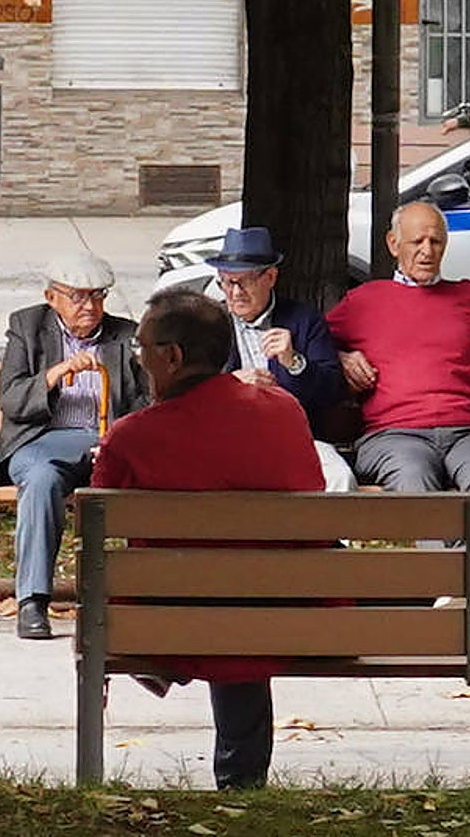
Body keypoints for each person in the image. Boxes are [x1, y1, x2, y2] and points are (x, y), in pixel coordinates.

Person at [90, 288, 324, 790]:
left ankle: (171, 678)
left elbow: (103, 522)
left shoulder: (133, 435)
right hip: (288, 615)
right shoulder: (283, 409)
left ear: (173, 357)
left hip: (175, 624)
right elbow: (313, 489)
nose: (139, 359)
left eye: (142, 347)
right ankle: (241, 781)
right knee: (244, 590)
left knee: (194, 588)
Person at [325, 201, 470, 493]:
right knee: (413, 476)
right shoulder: (363, 302)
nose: (427, 251)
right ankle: (452, 529)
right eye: (417, 242)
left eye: (436, 241)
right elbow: (315, 347)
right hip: (395, 434)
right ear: (393, 244)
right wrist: (341, 357)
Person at [0, 251, 148, 640]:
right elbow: (11, 400)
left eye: (97, 296)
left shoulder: (126, 336)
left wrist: (119, 439)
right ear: (52, 297)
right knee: (41, 480)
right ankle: (32, 602)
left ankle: (146, 597)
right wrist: (55, 374)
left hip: (107, 442)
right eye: (78, 296)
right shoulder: (27, 327)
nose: (90, 306)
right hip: (41, 443)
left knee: (151, 477)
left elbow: (146, 402)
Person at [211, 226, 355, 492]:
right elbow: (186, 388)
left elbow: (332, 391)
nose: (235, 292)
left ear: (270, 277)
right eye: (227, 282)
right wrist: (229, 384)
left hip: (294, 438)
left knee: (338, 478)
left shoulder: (304, 320)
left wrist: (295, 363)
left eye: (245, 281)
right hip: (226, 439)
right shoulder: (210, 323)